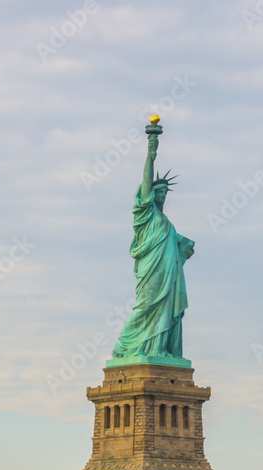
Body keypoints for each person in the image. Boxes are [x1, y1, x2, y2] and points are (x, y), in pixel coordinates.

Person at [111, 121, 194, 361]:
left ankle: (159, 349)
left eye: (166, 193)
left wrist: (183, 249)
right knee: (146, 305)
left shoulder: (167, 223)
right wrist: (151, 147)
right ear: (148, 194)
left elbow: (175, 250)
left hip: (169, 274)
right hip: (151, 272)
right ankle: (123, 347)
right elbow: (147, 177)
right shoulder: (146, 214)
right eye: (159, 192)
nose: (163, 196)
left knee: (165, 308)